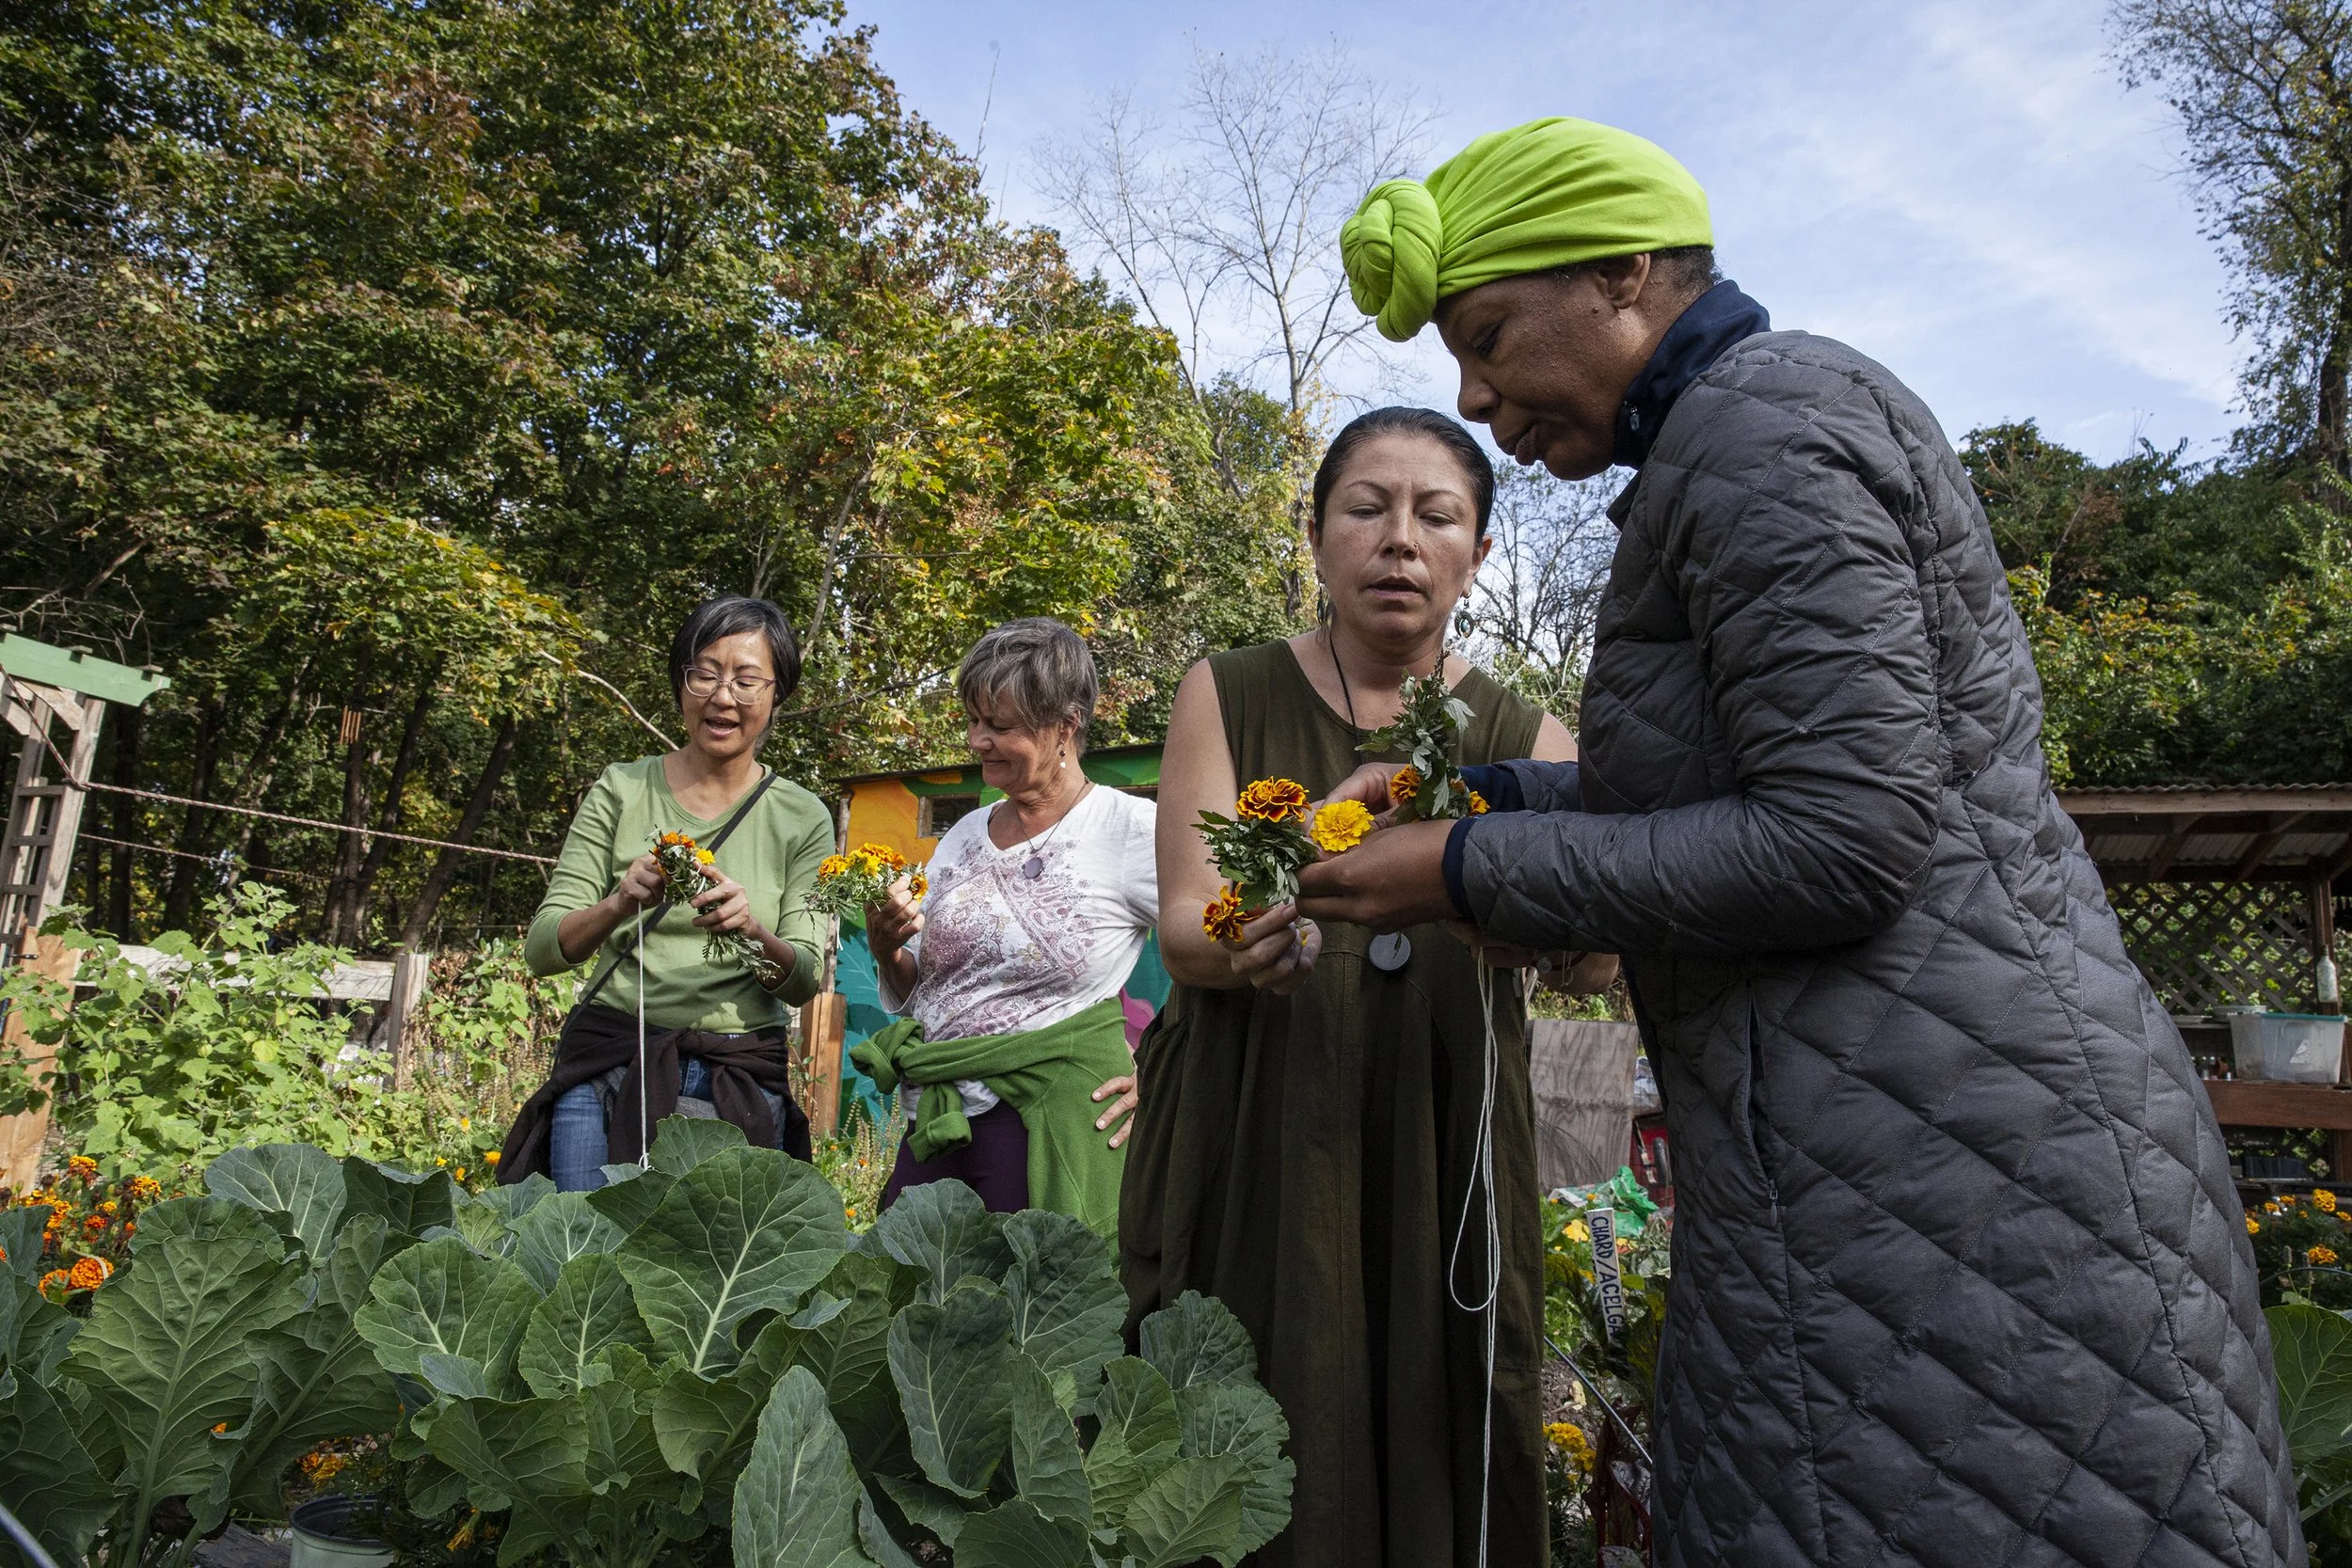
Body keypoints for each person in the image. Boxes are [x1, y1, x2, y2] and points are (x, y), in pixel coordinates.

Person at [1303, 118, 2303, 1567]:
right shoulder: (1732, 439)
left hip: (1966, 1178)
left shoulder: (1762, 435)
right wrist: (1488, 803)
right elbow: (1753, 785)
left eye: (1490, 336)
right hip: (1887, 1151)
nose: (1474, 396)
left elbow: (1840, 839)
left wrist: (1462, 869)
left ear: (1623, 274)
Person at [1120, 405, 1591, 1568]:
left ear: (1477, 554)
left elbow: (1599, 948)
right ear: (1316, 534)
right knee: (1249, 1387)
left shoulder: (1532, 737)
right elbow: (1184, 919)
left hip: (1439, 1116)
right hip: (1255, 1103)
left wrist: (1552, 935)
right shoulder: (1226, 689)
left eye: (1438, 516)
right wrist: (1242, 941)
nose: (1400, 540)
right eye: (1366, 508)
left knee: (1440, 1394)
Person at [499, 596, 833, 1191]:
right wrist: (618, 903)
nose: (722, 697)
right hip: (610, 1061)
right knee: (584, 1241)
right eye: (705, 674)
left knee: (714, 1250)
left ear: (776, 694)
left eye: (747, 681)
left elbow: (803, 978)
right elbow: (544, 949)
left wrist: (752, 931)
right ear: (681, 682)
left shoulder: (801, 816)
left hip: (736, 1073)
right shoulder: (621, 789)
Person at [854, 618, 1149, 1239]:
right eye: (973, 721)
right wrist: (886, 950)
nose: (977, 740)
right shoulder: (965, 835)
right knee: (905, 1284)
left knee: (1033, 1290)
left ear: (1066, 724)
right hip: (937, 1121)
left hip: (1046, 1125)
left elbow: (1219, 947)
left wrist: (1161, 1067)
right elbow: (923, 985)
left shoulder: (1129, 830)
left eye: (1000, 725)